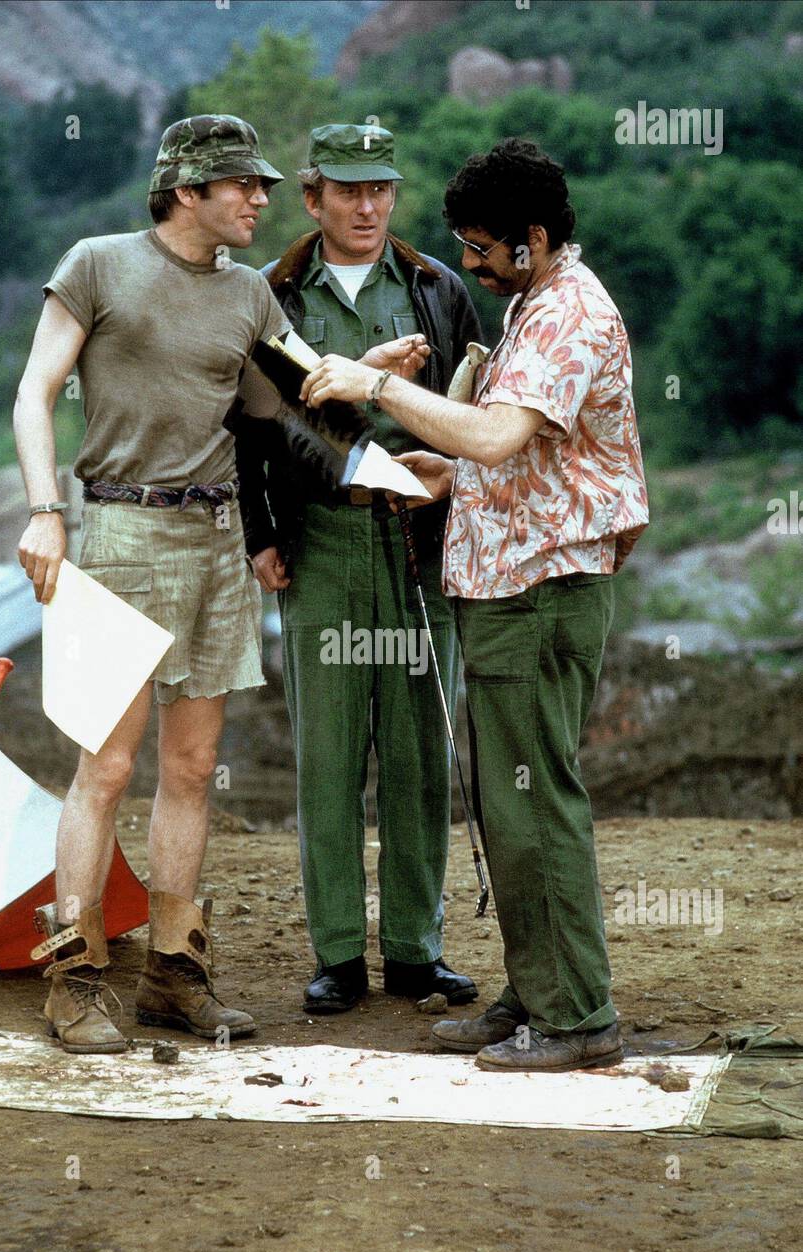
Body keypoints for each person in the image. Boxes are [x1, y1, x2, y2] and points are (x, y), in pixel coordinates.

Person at [298, 138, 649, 1069]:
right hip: (506, 590)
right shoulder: (537, 305)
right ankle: (534, 993)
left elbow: (499, 436)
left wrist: (379, 387)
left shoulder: (571, 312)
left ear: (533, 239)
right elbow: (520, 453)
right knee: (506, 806)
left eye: (483, 247)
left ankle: (578, 1017)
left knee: (537, 806)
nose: (470, 264)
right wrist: (451, 474)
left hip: (540, 595)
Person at [13, 116, 289, 1054]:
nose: (260, 199)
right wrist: (45, 510)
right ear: (186, 191)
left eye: (262, 186)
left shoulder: (251, 294)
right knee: (108, 766)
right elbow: (33, 390)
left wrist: (366, 378)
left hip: (217, 540)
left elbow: (285, 405)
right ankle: (75, 977)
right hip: (121, 531)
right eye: (243, 185)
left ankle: (174, 971)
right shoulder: (97, 263)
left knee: (186, 768)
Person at [237, 120, 482, 1013]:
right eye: (348, 190)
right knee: (330, 757)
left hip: (417, 542)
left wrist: (453, 505)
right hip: (324, 541)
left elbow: (473, 414)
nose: (368, 205)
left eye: (381, 188)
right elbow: (255, 429)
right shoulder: (273, 294)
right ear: (314, 198)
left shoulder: (434, 288)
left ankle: (416, 953)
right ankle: (339, 954)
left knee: (420, 752)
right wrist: (259, 533)